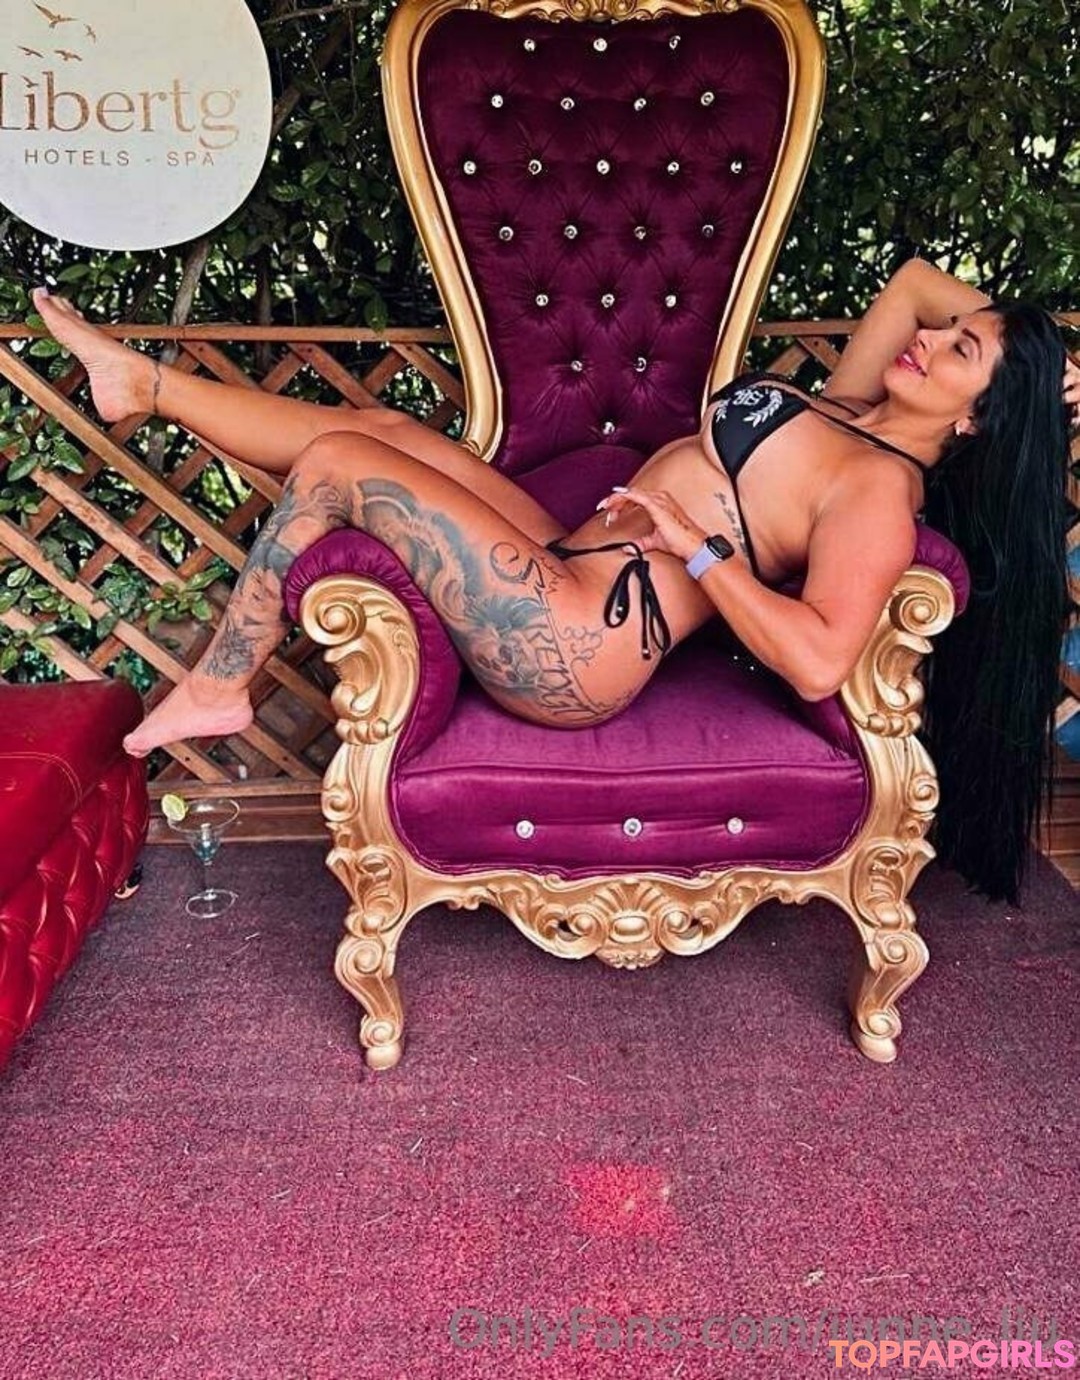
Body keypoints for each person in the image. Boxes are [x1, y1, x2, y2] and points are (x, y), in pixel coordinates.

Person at [30, 264, 1078, 900]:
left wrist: (697, 547)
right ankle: (146, 384)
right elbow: (913, 282)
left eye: (958, 352)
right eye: (946, 333)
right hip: (570, 557)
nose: (928, 338)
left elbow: (817, 658)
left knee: (345, 467)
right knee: (385, 427)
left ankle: (223, 682)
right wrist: (1048, 355)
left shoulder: (879, 491)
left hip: (580, 648)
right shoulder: (852, 409)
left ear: (977, 419)